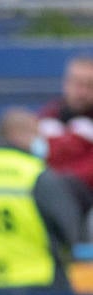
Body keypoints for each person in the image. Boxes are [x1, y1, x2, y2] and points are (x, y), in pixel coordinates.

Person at [0, 108, 84, 291]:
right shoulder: (36, 175)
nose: (40, 141)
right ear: (18, 134)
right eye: (36, 133)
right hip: (38, 283)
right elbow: (68, 229)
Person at [36, 55, 93, 205]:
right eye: (78, 84)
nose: (83, 92)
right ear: (66, 84)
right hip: (51, 198)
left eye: (90, 85)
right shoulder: (46, 118)